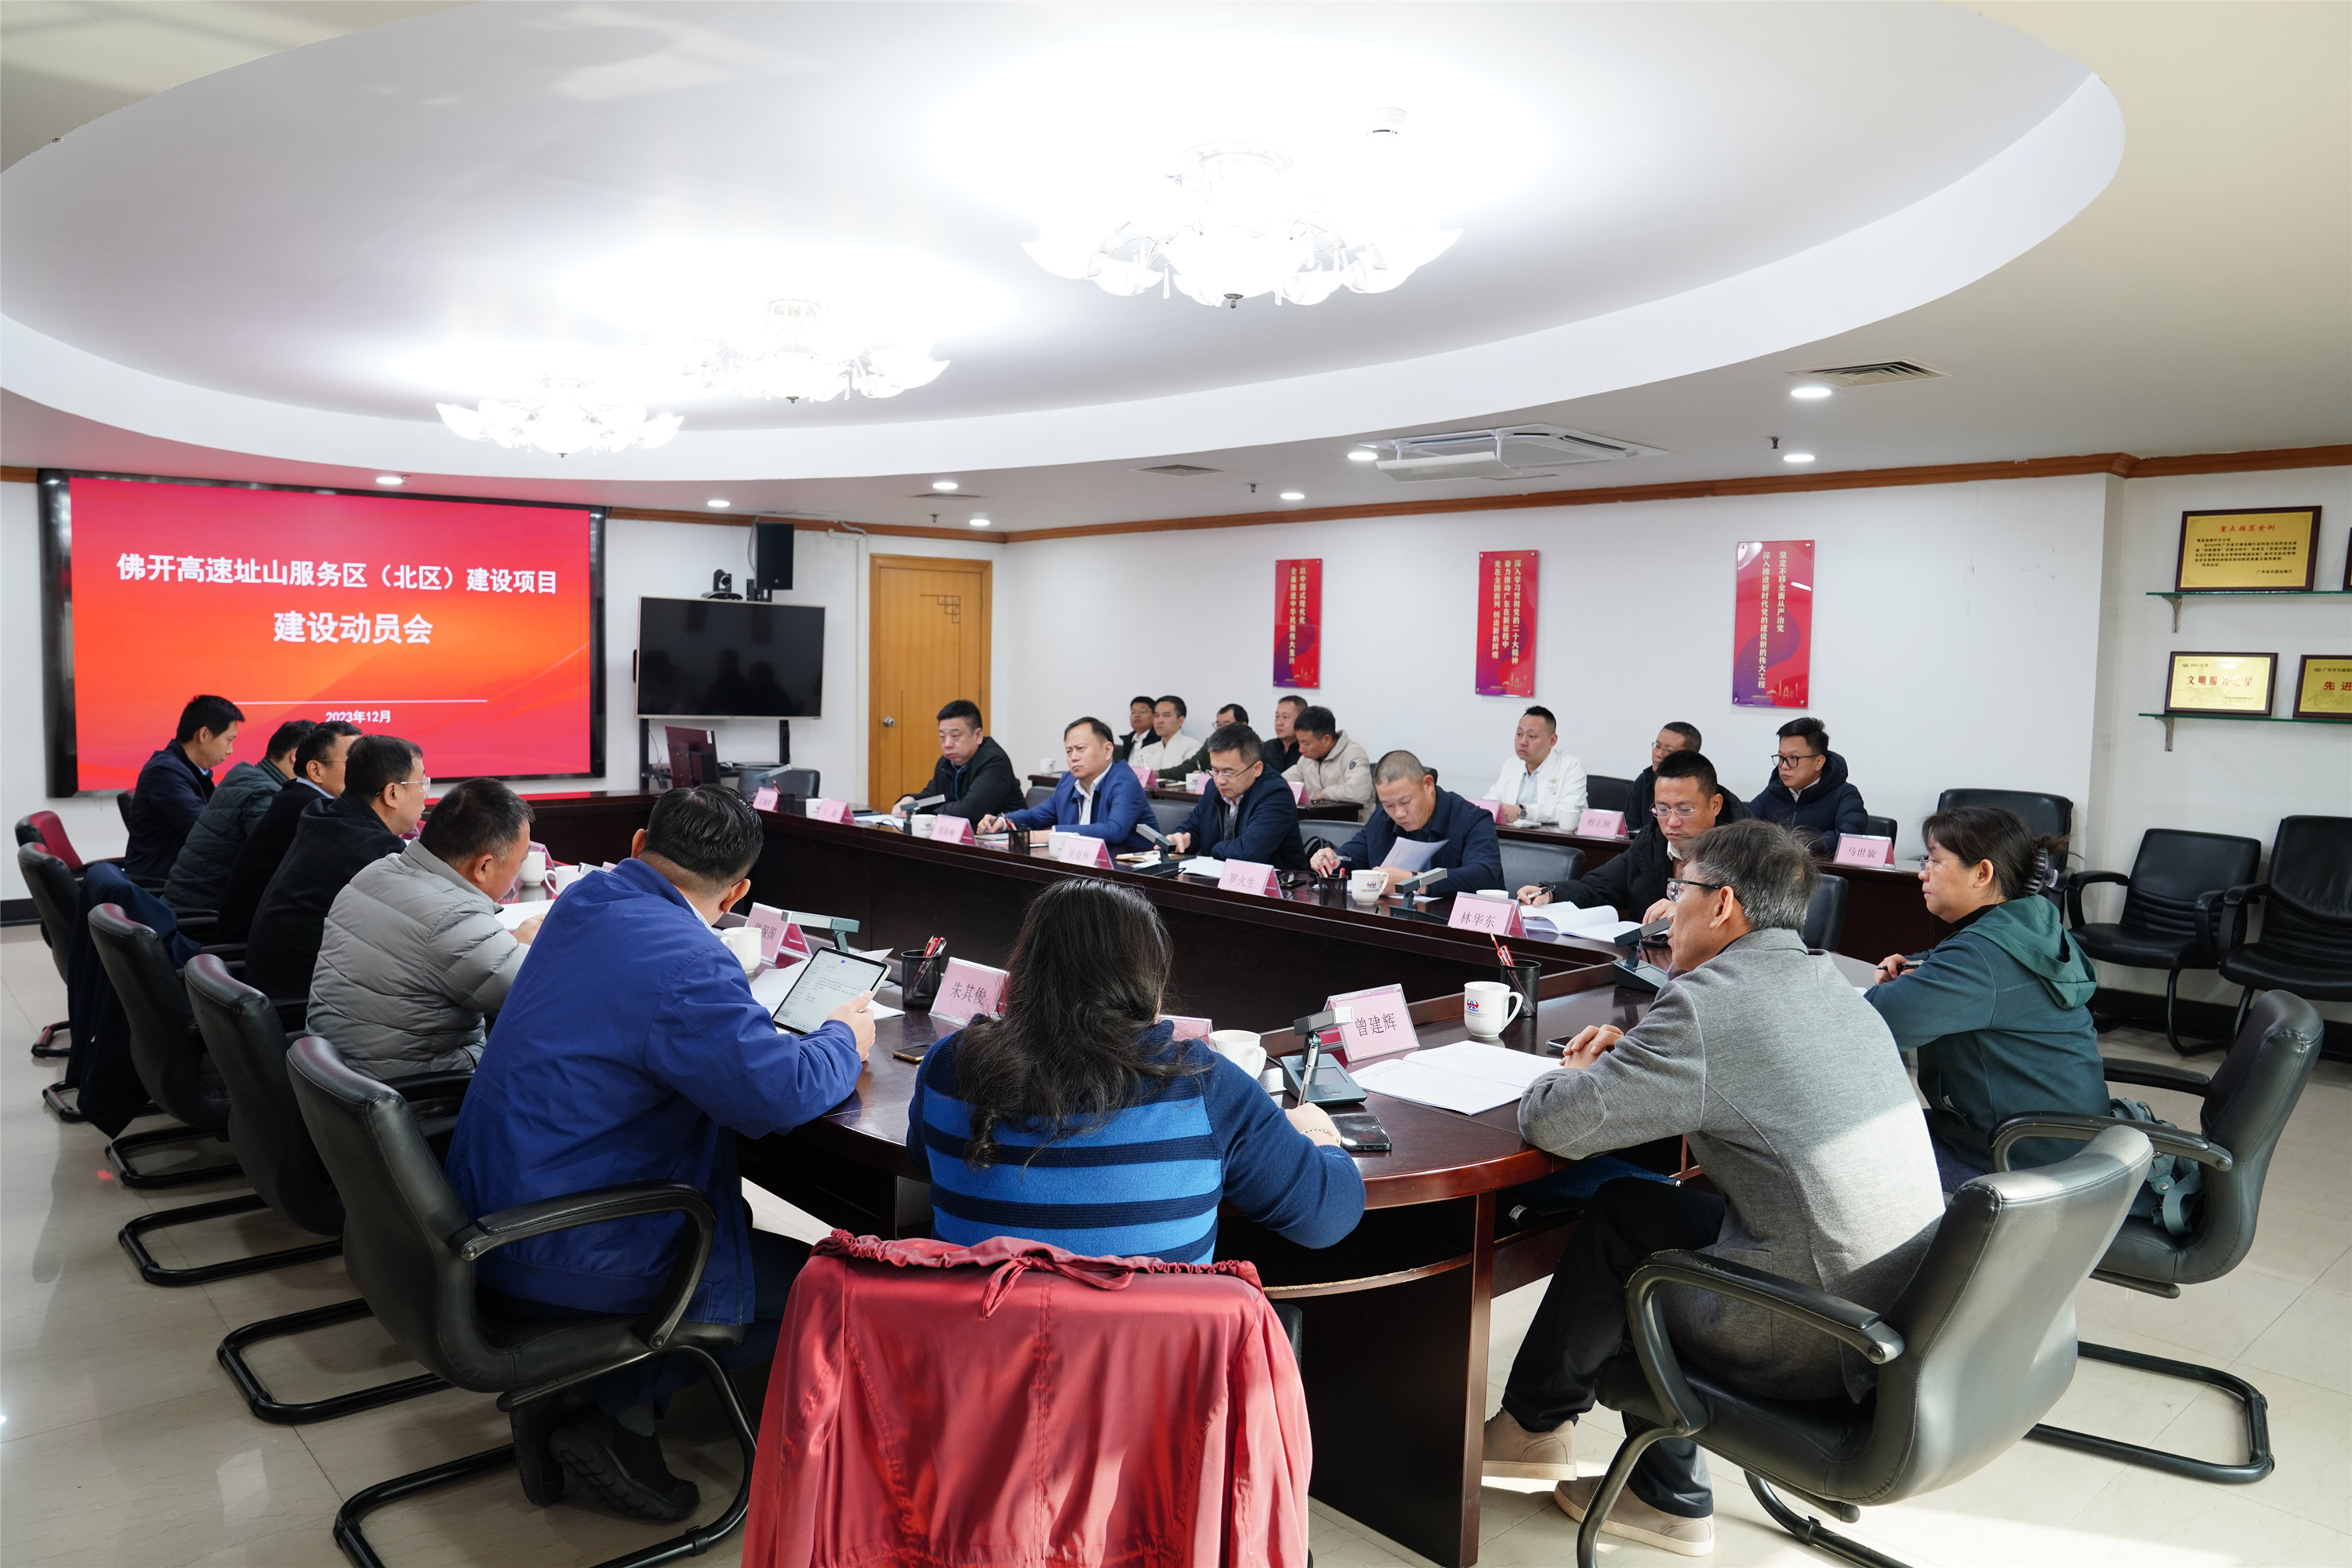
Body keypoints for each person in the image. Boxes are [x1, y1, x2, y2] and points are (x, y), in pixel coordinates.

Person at [1483, 820, 1942, 1557]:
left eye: (1679, 890)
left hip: (1812, 1330)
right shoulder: (1828, 979)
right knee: (1628, 1209)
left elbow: (1557, 1124)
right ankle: (1537, 1432)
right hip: (1886, 1306)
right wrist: (1641, 1057)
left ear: (1723, 903)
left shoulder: (1709, 1003)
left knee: (1638, 1267)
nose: (1667, 910)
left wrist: (1571, 1074)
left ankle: (1665, 1496)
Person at [447, 786, 871, 1521]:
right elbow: (780, 1095)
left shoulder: (585, 902)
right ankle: (606, 1407)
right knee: (840, 1286)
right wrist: (843, 1037)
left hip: (496, 1210)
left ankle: (591, 1392)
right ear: (737, 893)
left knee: (762, 1250)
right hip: (567, 1245)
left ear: (639, 845)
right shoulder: (688, 960)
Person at [906, 877, 1363, 1261]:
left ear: (1025, 970)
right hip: (1157, 1347)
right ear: (1147, 982)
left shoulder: (948, 1065)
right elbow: (1328, 1218)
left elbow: (923, 1159)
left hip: (979, 1341)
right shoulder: (1204, 1085)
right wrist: (1319, 1134)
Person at [1866, 805, 2104, 1192]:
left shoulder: (1981, 957)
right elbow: (1974, 965)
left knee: (1844, 1150)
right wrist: (1919, 964)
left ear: (1982, 873)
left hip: (2017, 1162)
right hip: (2060, 1143)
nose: (1923, 873)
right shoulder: (2033, 921)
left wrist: (1892, 986)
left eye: (1934, 861)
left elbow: (1874, 1024)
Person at [308, 776, 543, 1081]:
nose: (519, 870)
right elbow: (542, 997)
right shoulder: (455, 920)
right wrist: (533, 947)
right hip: (414, 1093)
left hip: (336, 1080)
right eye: (520, 861)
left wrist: (512, 947)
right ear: (483, 867)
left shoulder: (377, 872)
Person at [243, 735, 424, 1003]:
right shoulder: (370, 851)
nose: (425, 794)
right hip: (305, 1005)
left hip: (276, 988)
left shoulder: (328, 817)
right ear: (392, 794)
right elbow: (427, 927)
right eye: (422, 783)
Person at [1523, 749, 1747, 923]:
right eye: (1663, 809)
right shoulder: (1651, 841)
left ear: (1715, 805)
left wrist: (1688, 913)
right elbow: (1599, 886)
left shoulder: (1747, 850)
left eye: (1684, 810)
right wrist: (1552, 893)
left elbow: (1747, 919)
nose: (1672, 821)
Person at [213, 721, 361, 942]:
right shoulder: (313, 811)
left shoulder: (298, 796)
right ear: (316, 770)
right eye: (354, 764)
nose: (364, 773)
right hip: (253, 947)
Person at [163, 717, 314, 913]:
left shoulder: (247, 777)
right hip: (205, 913)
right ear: (296, 755)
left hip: (187, 902)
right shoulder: (264, 794)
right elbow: (284, 865)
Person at [1310, 750, 1503, 898]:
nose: (1398, 813)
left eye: (1405, 802)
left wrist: (1414, 881)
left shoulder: (1472, 819)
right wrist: (1330, 859)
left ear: (1428, 785)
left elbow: (1482, 874)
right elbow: (1353, 857)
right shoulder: (1382, 818)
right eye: (1388, 805)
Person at [122, 695, 245, 880]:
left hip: (186, 874)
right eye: (229, 740)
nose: (230, 750)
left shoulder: (192, 771)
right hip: (162, 883)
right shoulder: (164, 773)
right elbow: (204, 829)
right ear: (204, 735)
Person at [981, 717, 1149, 851]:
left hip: (1132, 874)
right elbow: (1036, 816)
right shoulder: (1068, 781)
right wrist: (1003, 821)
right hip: (1082, 866)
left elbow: (1114, 830)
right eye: (1069, 751)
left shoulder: (1125, 781)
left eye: (1081, 749)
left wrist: (1049, 835)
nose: (1073, 757)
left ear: (1107, 750)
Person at [1166, 724, 1308, 869]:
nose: (1220, 780)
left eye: (1228, 773)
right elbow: (1192, 828)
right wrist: (1179, 840)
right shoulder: (1213, 788)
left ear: (1256, 769)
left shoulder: (1276, 795)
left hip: (1277, 881)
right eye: (1215, 771)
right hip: (1218, 877)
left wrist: (1213, 849)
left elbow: (1248, 853)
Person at [894, 700, 1025, 822]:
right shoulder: (946, 763)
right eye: (942, 737)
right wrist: (911, 801)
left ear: (978, 736)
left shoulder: (995, 762)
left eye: (955, 736)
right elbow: (934, 797)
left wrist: (929, 816)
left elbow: (970, 810)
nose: (947, 744)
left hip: (1005, 836)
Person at [1748, 717, 1867, 848]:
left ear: (1818, 762)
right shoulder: (1774, 791)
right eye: (1781, 757)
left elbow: (1850, 841)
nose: (1784, 766)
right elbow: (1743, 827)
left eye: (1793, 758)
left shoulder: (1844, 795)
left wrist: (1791, 843)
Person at [1486, 706, 1588, 826]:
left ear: (1552, 741)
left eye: (1532, 736)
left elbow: (1569, 811)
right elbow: (1490, 802)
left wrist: (1522, 812)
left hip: (1551, 836)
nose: (1523, 742)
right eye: (1519, 734)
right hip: (1511, 835)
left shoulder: (1571, 767)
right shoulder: (1511, 765)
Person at [1282, 705, 1373, 809]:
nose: (1301, 749)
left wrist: (1323, 794)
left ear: (1326, 740)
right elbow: (1282, 780)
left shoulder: (1353, 753)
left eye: (1305, 743)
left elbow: (1359, 792)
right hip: (1317, 817)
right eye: (1299, 742)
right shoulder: (1306, 759)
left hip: (1352, 818)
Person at [1622, 722, 1701, 826]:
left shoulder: (1701, 787)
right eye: (1657, 746)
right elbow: (1631, 829)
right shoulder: (1645, 781)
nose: (1659, 754)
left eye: (1669, 750)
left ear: (1689, 756)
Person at [1131, 695, 1202, 777]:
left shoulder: (1192, 747)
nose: (1159, 721)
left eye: (1166, 715)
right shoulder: (1145, 751)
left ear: (1180, 721)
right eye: (1157, 716)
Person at [1265, 695, 1308, 775]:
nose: (1279, 723)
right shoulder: (1265, 749)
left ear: (1301, 719)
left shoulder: (1307, 752)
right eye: (1277, 716)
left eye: (1285, 717)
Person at [1112, 695, 1157, 762]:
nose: (1137, 715)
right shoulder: (1128, 741)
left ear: (1155, 715)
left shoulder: (1160, 740)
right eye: (1133, 712)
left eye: (1142, 711)